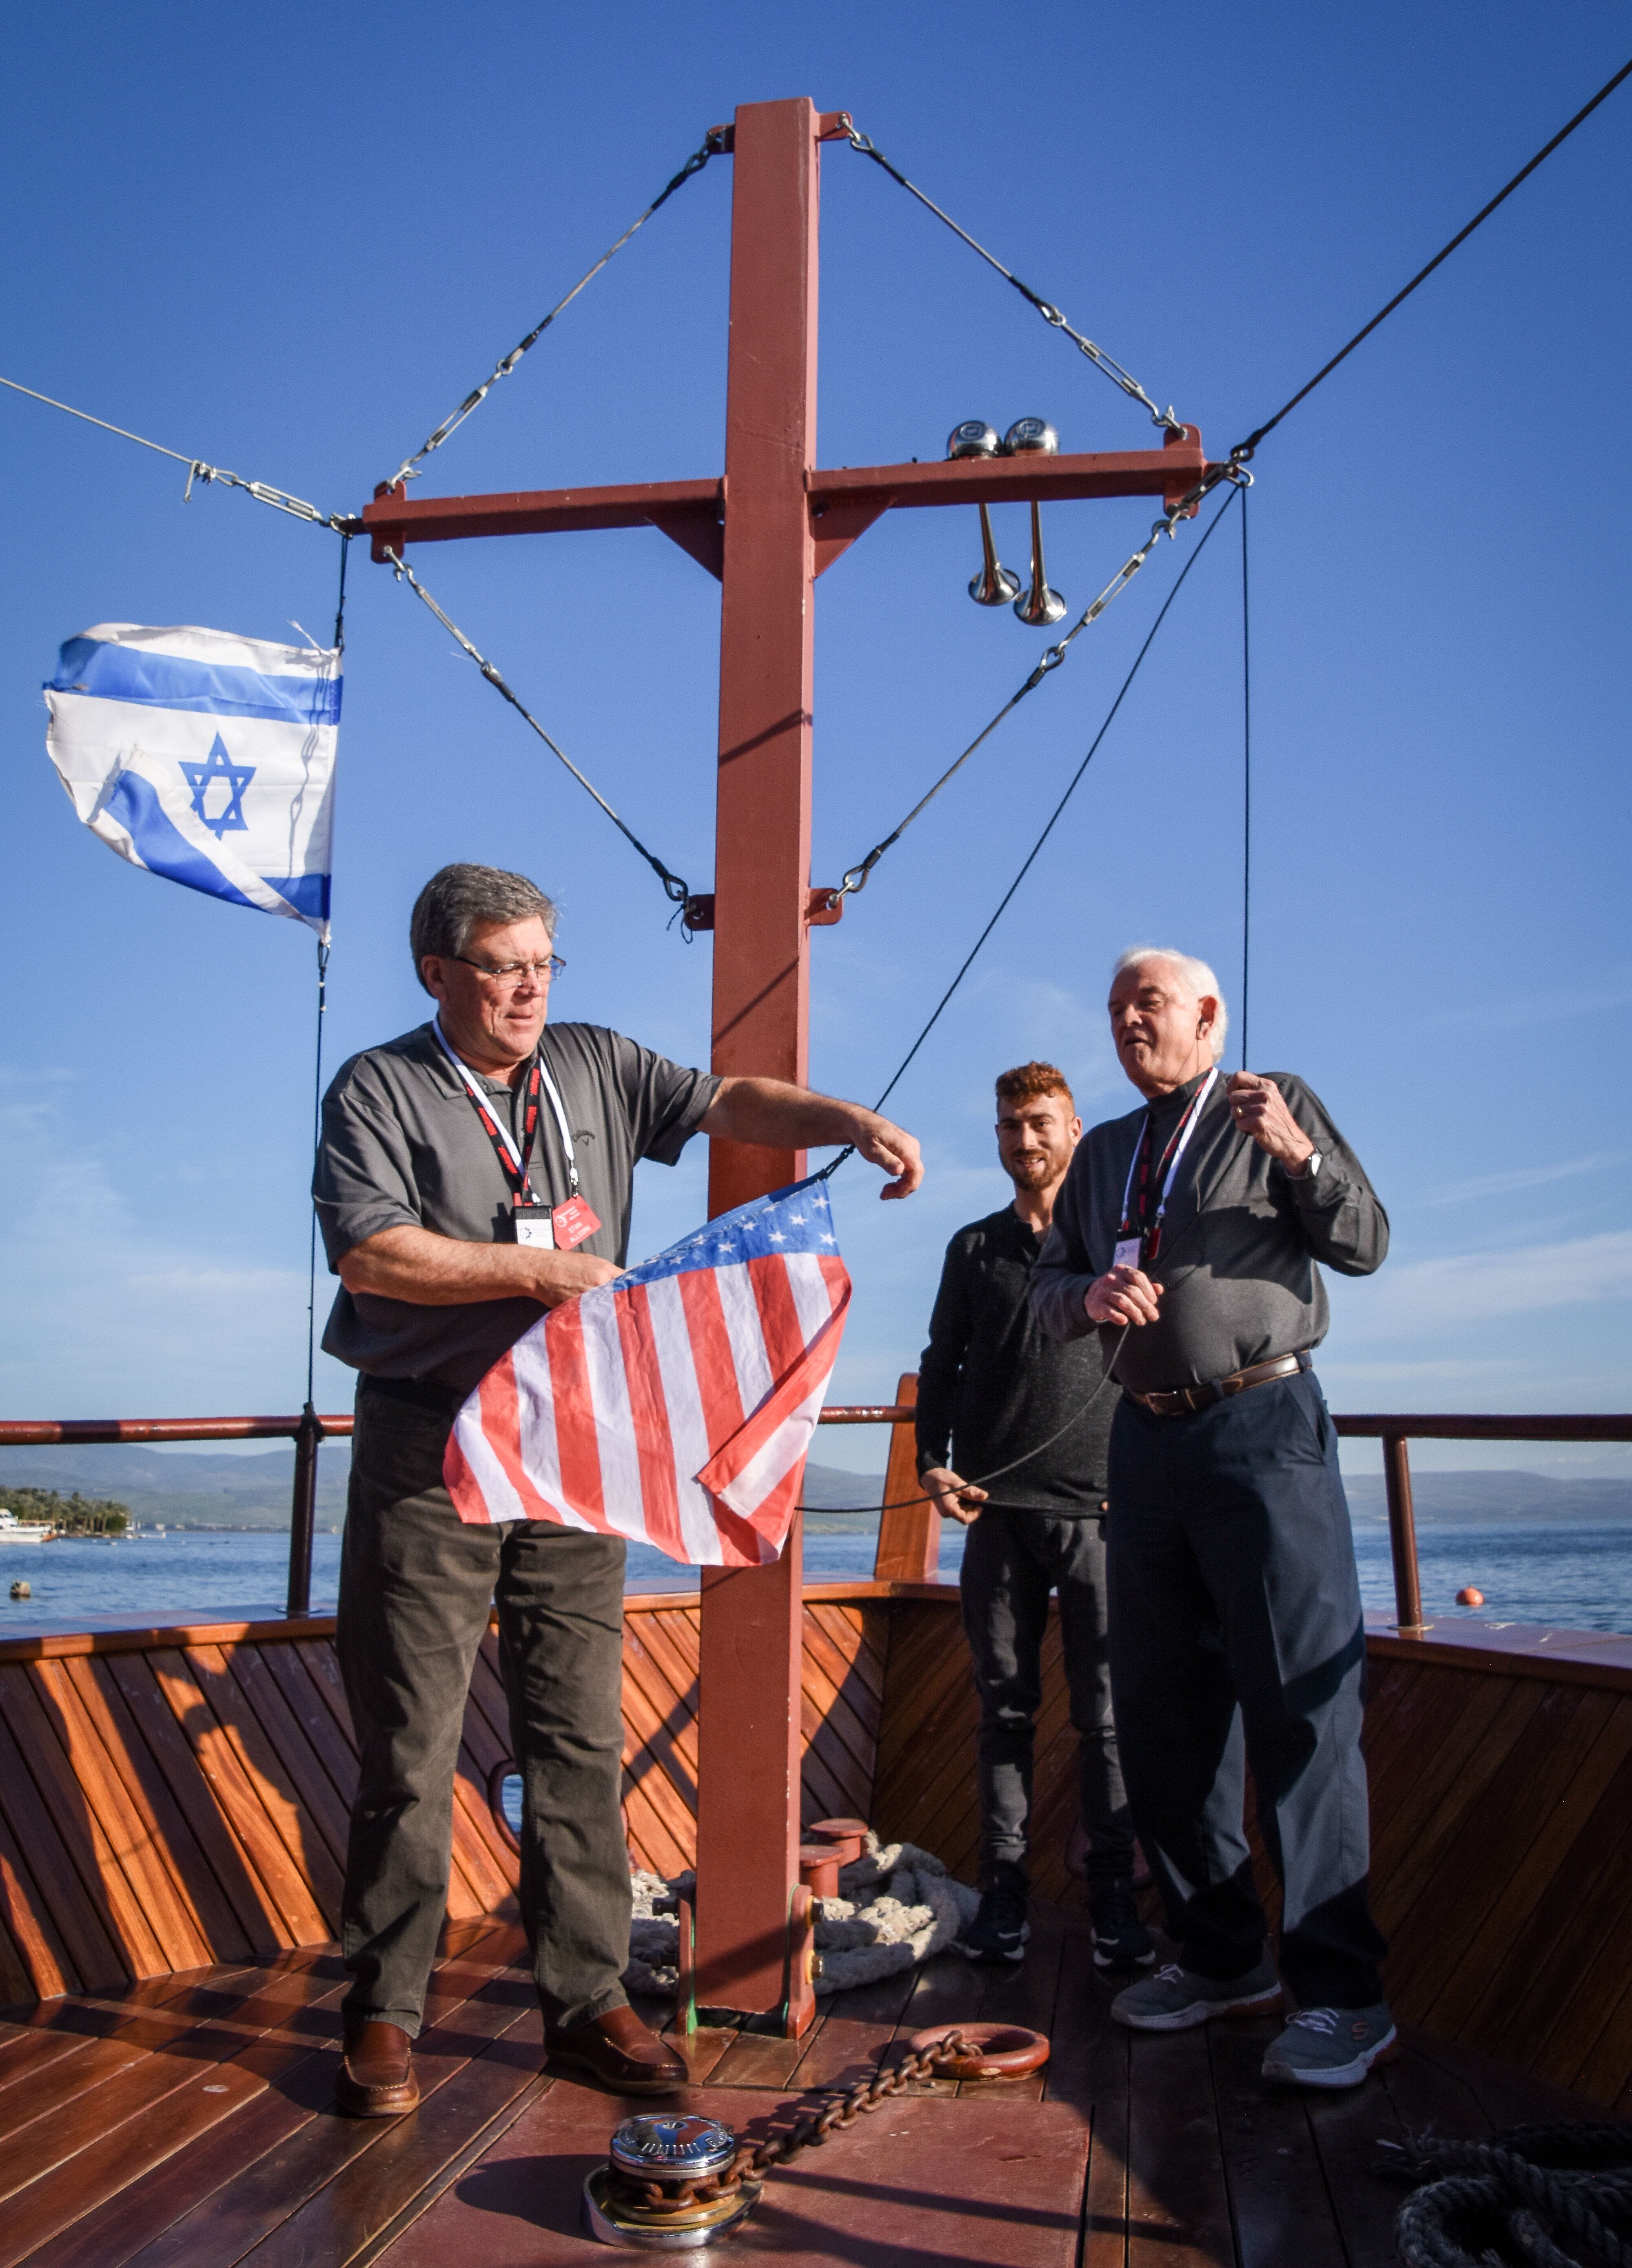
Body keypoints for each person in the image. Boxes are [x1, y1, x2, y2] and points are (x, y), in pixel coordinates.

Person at [314, 862, 922, 2118]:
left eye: (544, 960)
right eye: (504, 964)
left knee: (578, 1738)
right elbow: (372, 1252)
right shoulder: (380, 1087)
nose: (530, 984)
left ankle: (589, 2003)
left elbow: (727, 1102)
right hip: (431, 1450)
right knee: (412, 1746)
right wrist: (532, 1277)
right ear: (439, 974)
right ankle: (383, 2009)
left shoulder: (589, 1060)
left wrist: (844, 1122)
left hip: (582, 1447)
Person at [1031, 948, 1394, 2091]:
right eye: (1116, 1010)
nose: (1130, 1023)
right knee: (1163, 1718)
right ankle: (1225, 1962)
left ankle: (1343, 1999)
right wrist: (1086, 1296)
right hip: (1142, 1443)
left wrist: (1302, 1154)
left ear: (1208, 1015)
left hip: (1261, 1429)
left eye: (1150, 1004)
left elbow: (1367, 1243)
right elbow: (1047, 1297)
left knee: (1299, 1712)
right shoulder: (1099, 1157)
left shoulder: (1270, 1109)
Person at [916, 1062, 1149, 1974]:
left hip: (1100, 1508)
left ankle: (1113, 1908)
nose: (1025, 1140)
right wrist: (932, 1465)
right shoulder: (973, 1249)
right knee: (1003, 1714)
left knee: (1106, 1721)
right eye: (1010, 1126)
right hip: (996, 1510)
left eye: (1040, 1123)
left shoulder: (1118, 1247)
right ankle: (1003, 1901)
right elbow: (941, 1364)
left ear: (1074, 1130)